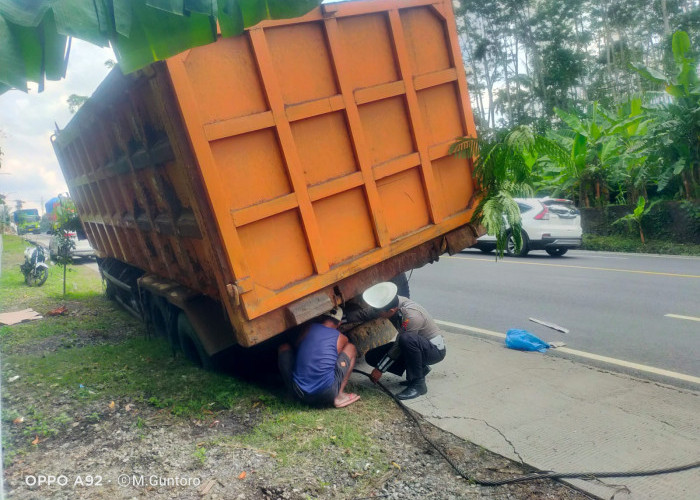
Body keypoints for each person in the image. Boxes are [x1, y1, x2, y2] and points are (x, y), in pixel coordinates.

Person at [362, 282, 446, 400]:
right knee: (372, 356)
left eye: (379, 312)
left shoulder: (411, 316)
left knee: (406, 339)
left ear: (391, 311)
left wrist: (380, 369)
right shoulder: (392, 303)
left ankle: (418, 384)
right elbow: (366, 314)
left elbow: (399, 346)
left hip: (434, 351)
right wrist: (340, 318)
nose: (377, 314)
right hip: (415, 345)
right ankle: (420, 369)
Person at [278, 307, 360, 408]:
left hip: (299, 392)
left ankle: (290, 393)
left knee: (284, 347)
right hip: (326, 395)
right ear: (339, 324)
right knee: (351, 348)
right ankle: (338, 396)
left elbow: (298, 347)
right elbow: (335, 359)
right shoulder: (341, 338)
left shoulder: (308, 328)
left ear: (320, 317)